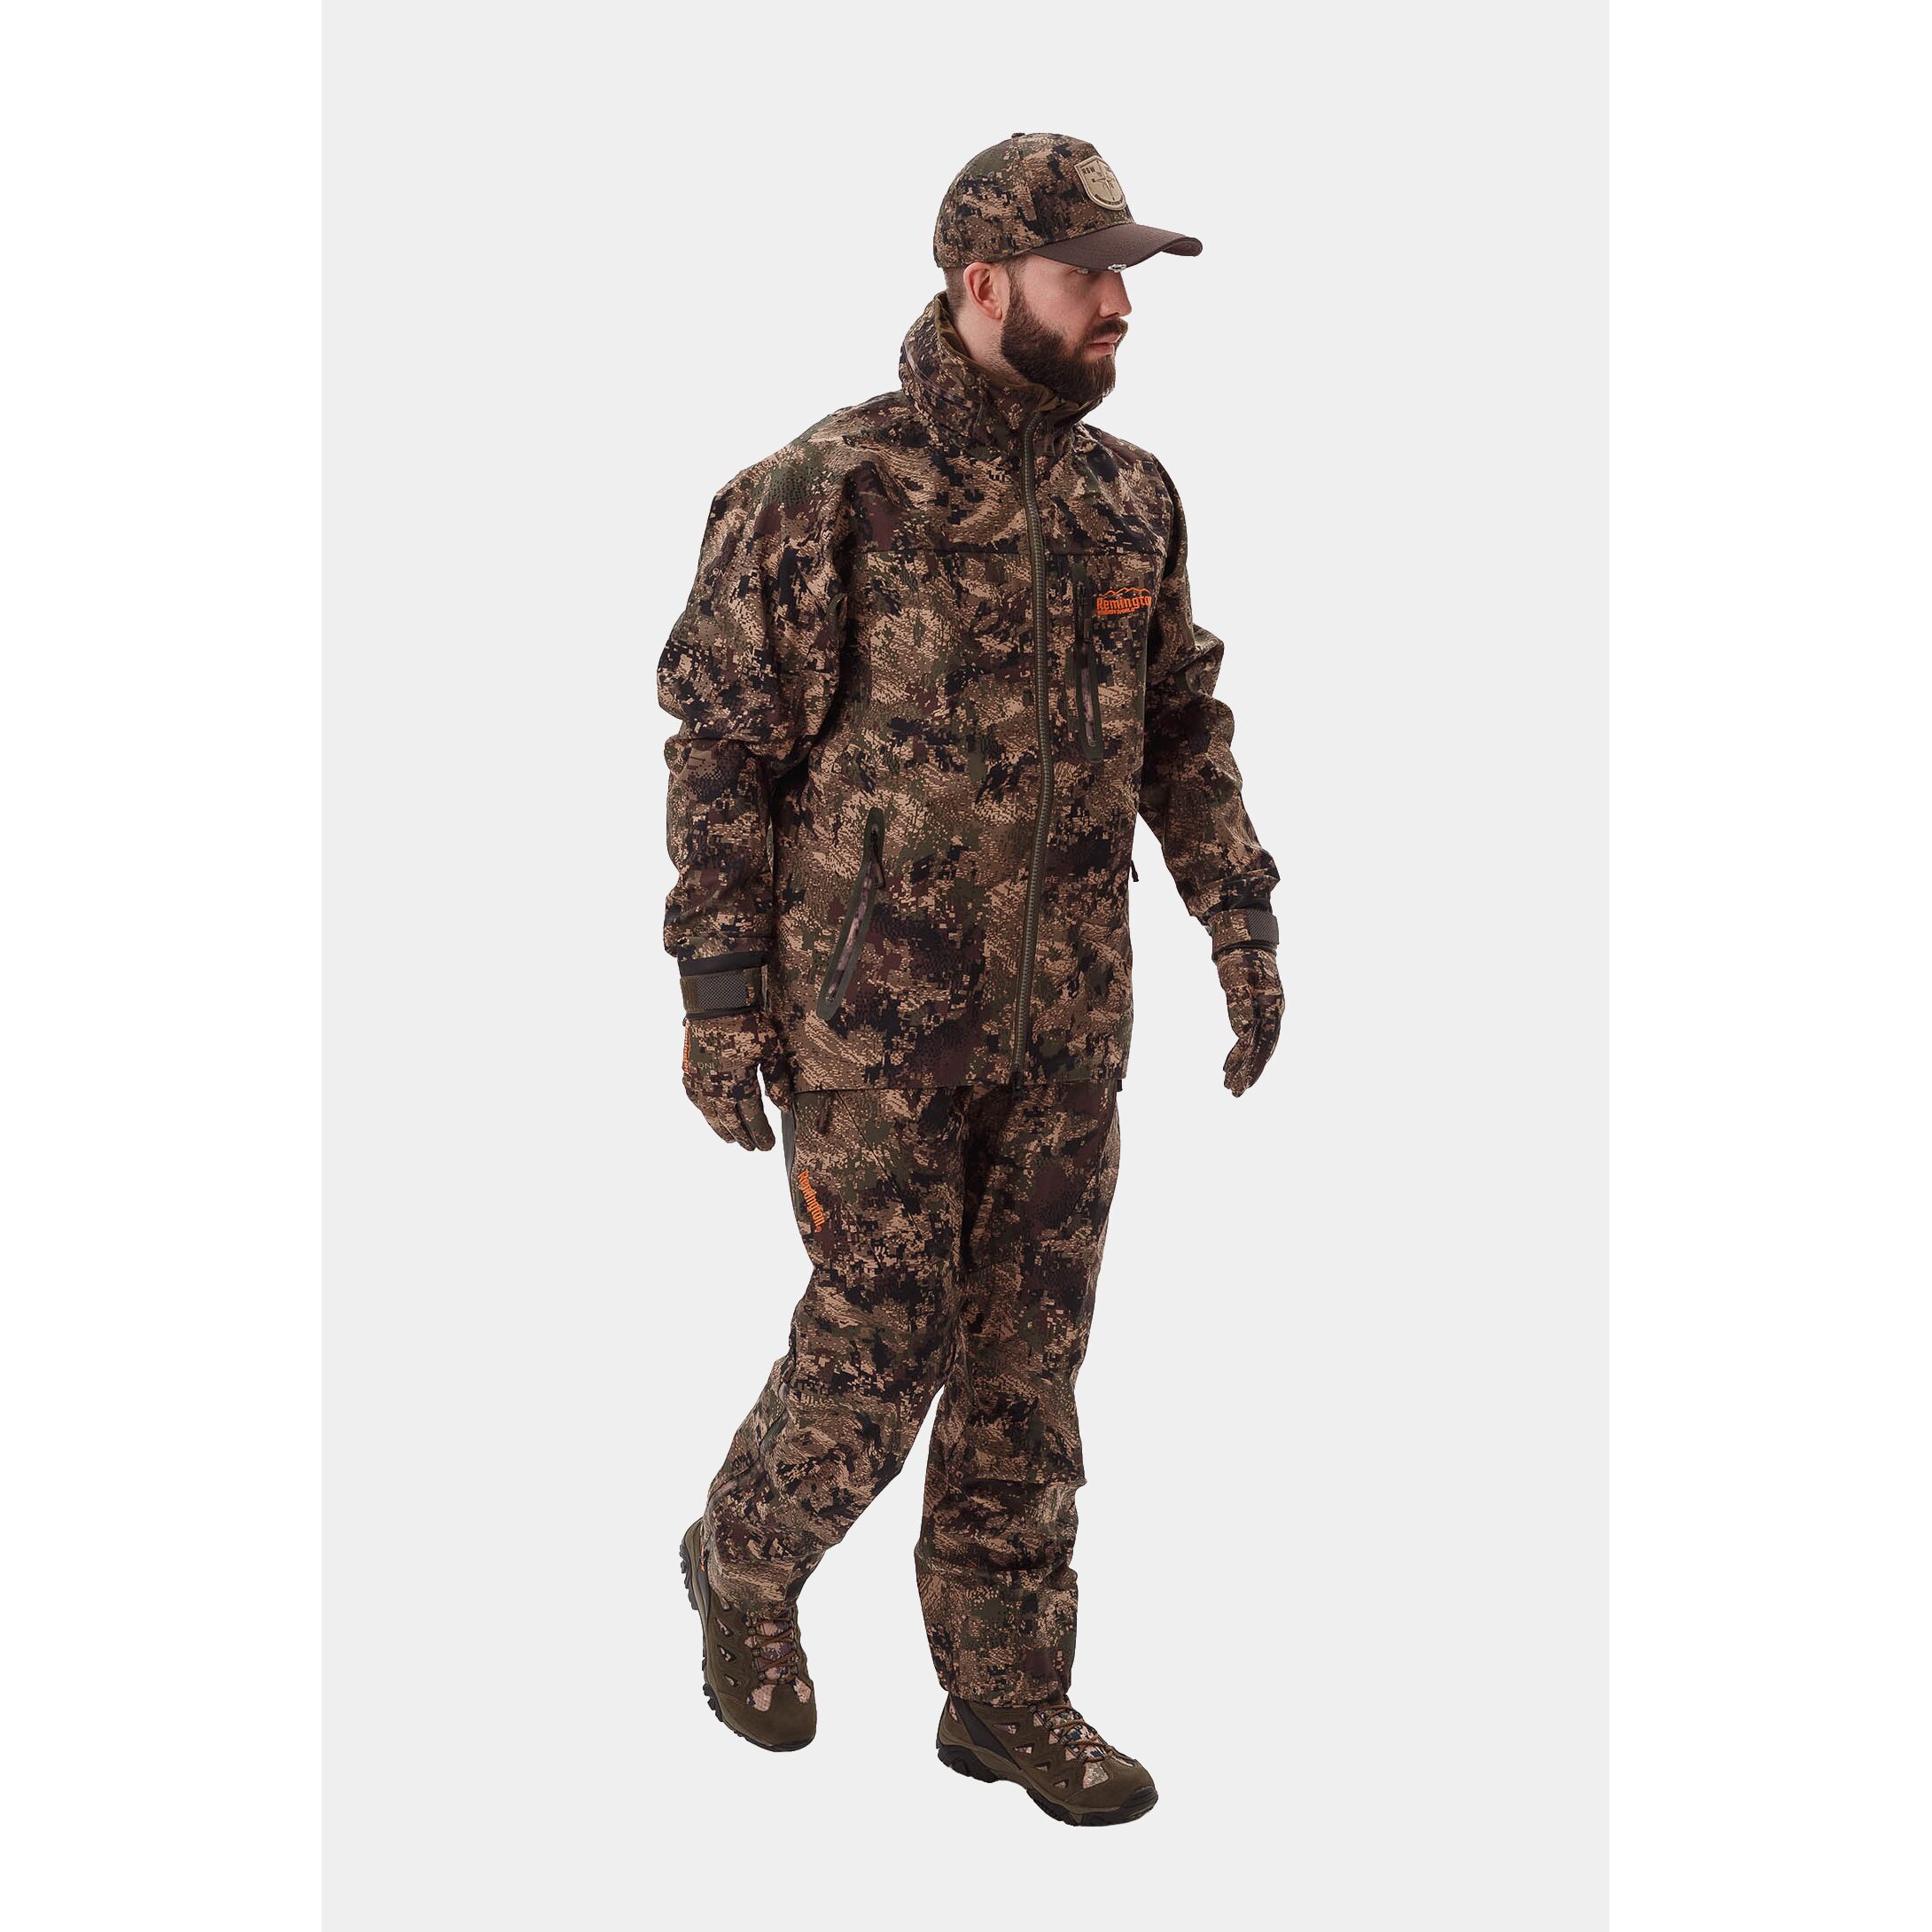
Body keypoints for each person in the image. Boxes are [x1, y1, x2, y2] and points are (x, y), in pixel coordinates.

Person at [660, 132, 1282, 1827]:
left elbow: (1181, 728)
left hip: (1069, 1025)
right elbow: (721, 749)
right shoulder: (827, 490)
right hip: (872, 1028)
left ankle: (1006, 1693)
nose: (1120, 308)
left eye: (1126, 277)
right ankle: (742, 1559)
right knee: (882, 1343)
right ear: (984, 281)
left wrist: (1236, 915)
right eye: (1091, 277)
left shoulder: (1127, 497)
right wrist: (718, 994)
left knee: (1026, 1366)